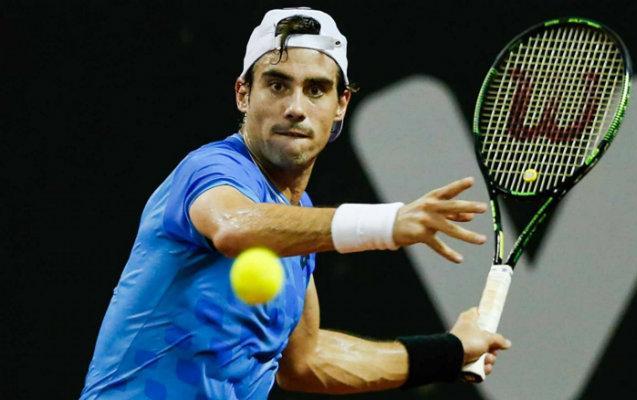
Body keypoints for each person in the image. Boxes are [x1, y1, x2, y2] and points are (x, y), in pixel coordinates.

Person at [80, 8, 510, 399]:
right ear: (243, 94)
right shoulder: (211, 167)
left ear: (341, 105)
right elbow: (234, 226)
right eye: (277, 85)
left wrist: (448, 353)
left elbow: (306, 361)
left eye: (316, 89)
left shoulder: (295, 220)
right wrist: (386, 223)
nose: (295, 108)